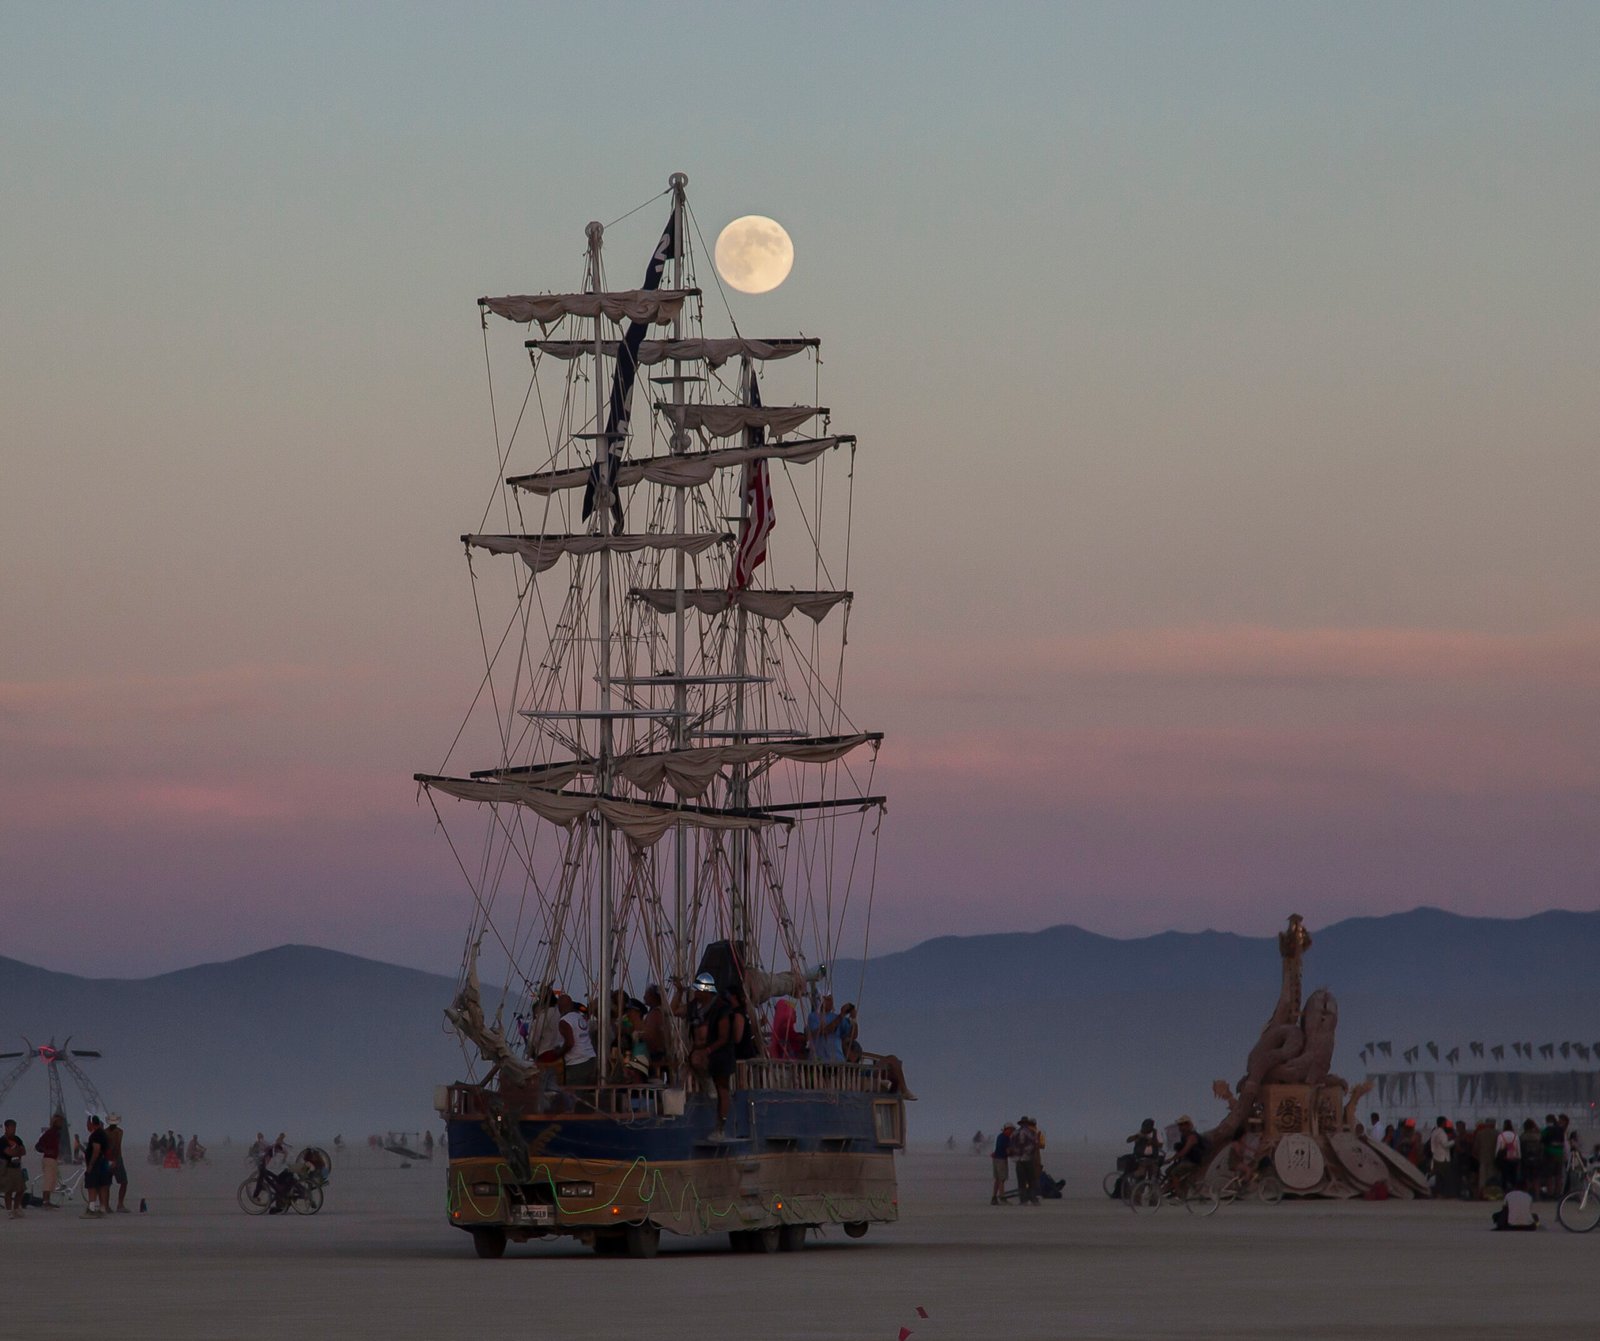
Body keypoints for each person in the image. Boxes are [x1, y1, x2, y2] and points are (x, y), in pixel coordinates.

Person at [554, 990, 597, 1088]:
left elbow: (570, 1043)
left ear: (559, 1007)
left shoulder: (564, 1021)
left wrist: (559, 1053)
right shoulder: (579, 1018)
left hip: (577, 1063)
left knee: (574, 1094)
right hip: (591, 1059)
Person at [82, 1115, 112, 1217]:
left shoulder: (95, 1135)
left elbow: (96, 1150)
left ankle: (91, 1209)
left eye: (87, 1124)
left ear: (91, 1123)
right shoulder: (103, 1133)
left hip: (97, 1164)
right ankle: (102, 1208)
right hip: (103, 1163)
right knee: (102, 1186)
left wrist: (90, 1165)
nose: (87, 1126)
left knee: (92, 1186)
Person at [35, 1113, 66, 1209]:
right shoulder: (50, 1133)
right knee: (48, 1181)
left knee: (52, 1180)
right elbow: (38, 1146)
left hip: (53, 1159)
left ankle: (47, 1201)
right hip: (49, 1159)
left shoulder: (56, 1133)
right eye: (60, 1122)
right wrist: (46, 1150)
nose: (61, 1124)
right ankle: (45, 1202)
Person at [1169, 1115, 1204, 1193]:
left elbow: (1184, 1151)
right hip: (1188, 1160)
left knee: (1174, 1173)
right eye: (1179, 1125)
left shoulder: (1192, 1136)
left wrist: (1171, 1159)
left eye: (1182, 1124)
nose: (1180, 1127)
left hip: (1193, 1161)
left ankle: (1179, 1194)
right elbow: (1181, 1151)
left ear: (1188, 1125)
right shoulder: (1184, 1136)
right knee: (1169, 1170)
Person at [1011, 1117, 1041, 1206]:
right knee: (1031, 1179)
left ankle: (1023, 1200)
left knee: (1021, 1181)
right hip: (1028, 1159)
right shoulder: (1031, 1132)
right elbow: (1035, 1144)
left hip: (1018, 1160)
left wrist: (1015, 1155)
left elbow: (1011, 1146)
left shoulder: (1014, 1133)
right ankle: (1033, 1198)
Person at [807, 992, 844, 1063]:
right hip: (819, 1059)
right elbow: (821, 1032)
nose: (831, 1002)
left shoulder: (836, 1017)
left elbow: (853, 1034)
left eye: (831, 1000)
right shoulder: (813, 1016)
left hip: (837, 1059)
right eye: (828, 999)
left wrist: (853, 1019)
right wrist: (841, 1015)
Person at [1, 1118, 27, 1219]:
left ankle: (16, 1208)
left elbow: (23, 1151)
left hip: (17, 1167)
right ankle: (9, 1210)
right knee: (9, 1190)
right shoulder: (3, 1141)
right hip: (7, 1167)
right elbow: (8, 1152)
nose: (13, 1130)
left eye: (14, 1128)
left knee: (21, 1189)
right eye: (12, 1128)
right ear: (6, 1128)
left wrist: (16, 1151)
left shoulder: (17, 1139)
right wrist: (17, 1151)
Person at [106, 1113, 130, 1212]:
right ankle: (120, 1204)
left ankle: (106, 1205)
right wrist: (115, 1160)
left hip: (106, 1158)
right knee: (123, 1182)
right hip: (116, 1158)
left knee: (107, 1184)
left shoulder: (105, 1132)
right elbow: (116, 1146)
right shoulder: (119, 1132)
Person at [1427, 1118, 1454, 1199]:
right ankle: (1443, 1193)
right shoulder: (1442, 1133)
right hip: (1443, 1158)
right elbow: (1445, 1145)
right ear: (1443, 1123)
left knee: (1437, 1176)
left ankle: (1436, 1193)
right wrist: (1454, 1141)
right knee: (1444, 1176)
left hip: (1436, 1156)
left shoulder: (1434, 1132)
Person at [1494, 1119, 1520, 1190]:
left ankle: (1504, 1190)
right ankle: (1513, 1189)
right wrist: (1519, 1158)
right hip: (1514, 1158)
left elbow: (1498, 1148)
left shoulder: (1501, 1136)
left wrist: (1496, 1158)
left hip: (1504, 1159)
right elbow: (1518, 1148)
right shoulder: (1516, 1136)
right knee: (1513, 1176)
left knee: (1504, 1176)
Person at [991, 1124, 1013, 1205]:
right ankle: (1002, 1198)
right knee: (1002, 1179)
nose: (1011, 1132)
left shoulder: (1000, 1136)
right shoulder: (1006, 1138)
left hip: (996, 1159)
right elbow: (1007, 1150)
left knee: (997, 1179)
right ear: (1006, 1129)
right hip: (1001, 1160)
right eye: (1010, 1130)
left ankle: (994, 1198)